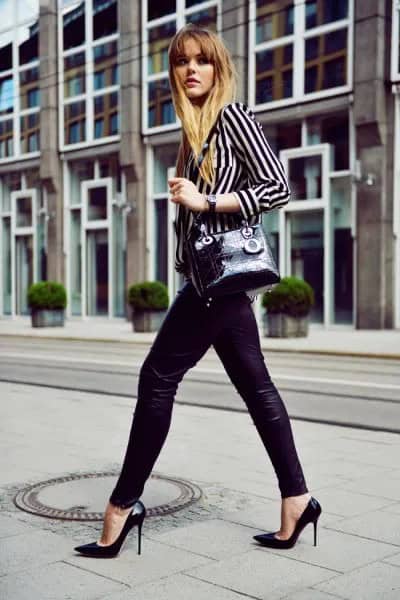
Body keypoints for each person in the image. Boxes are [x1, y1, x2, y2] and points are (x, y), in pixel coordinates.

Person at [74, 24, 322, 559]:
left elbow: (278, 187)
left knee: (157, 378)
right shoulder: (193, 132)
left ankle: (121, 507)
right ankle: (297, 500)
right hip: (210, 281)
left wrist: (207, 202)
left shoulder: (233, 117)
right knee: (259, 391)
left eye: (202, 61)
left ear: (218, 67)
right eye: (183, 61)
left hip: (217, 284)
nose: (192, 69)